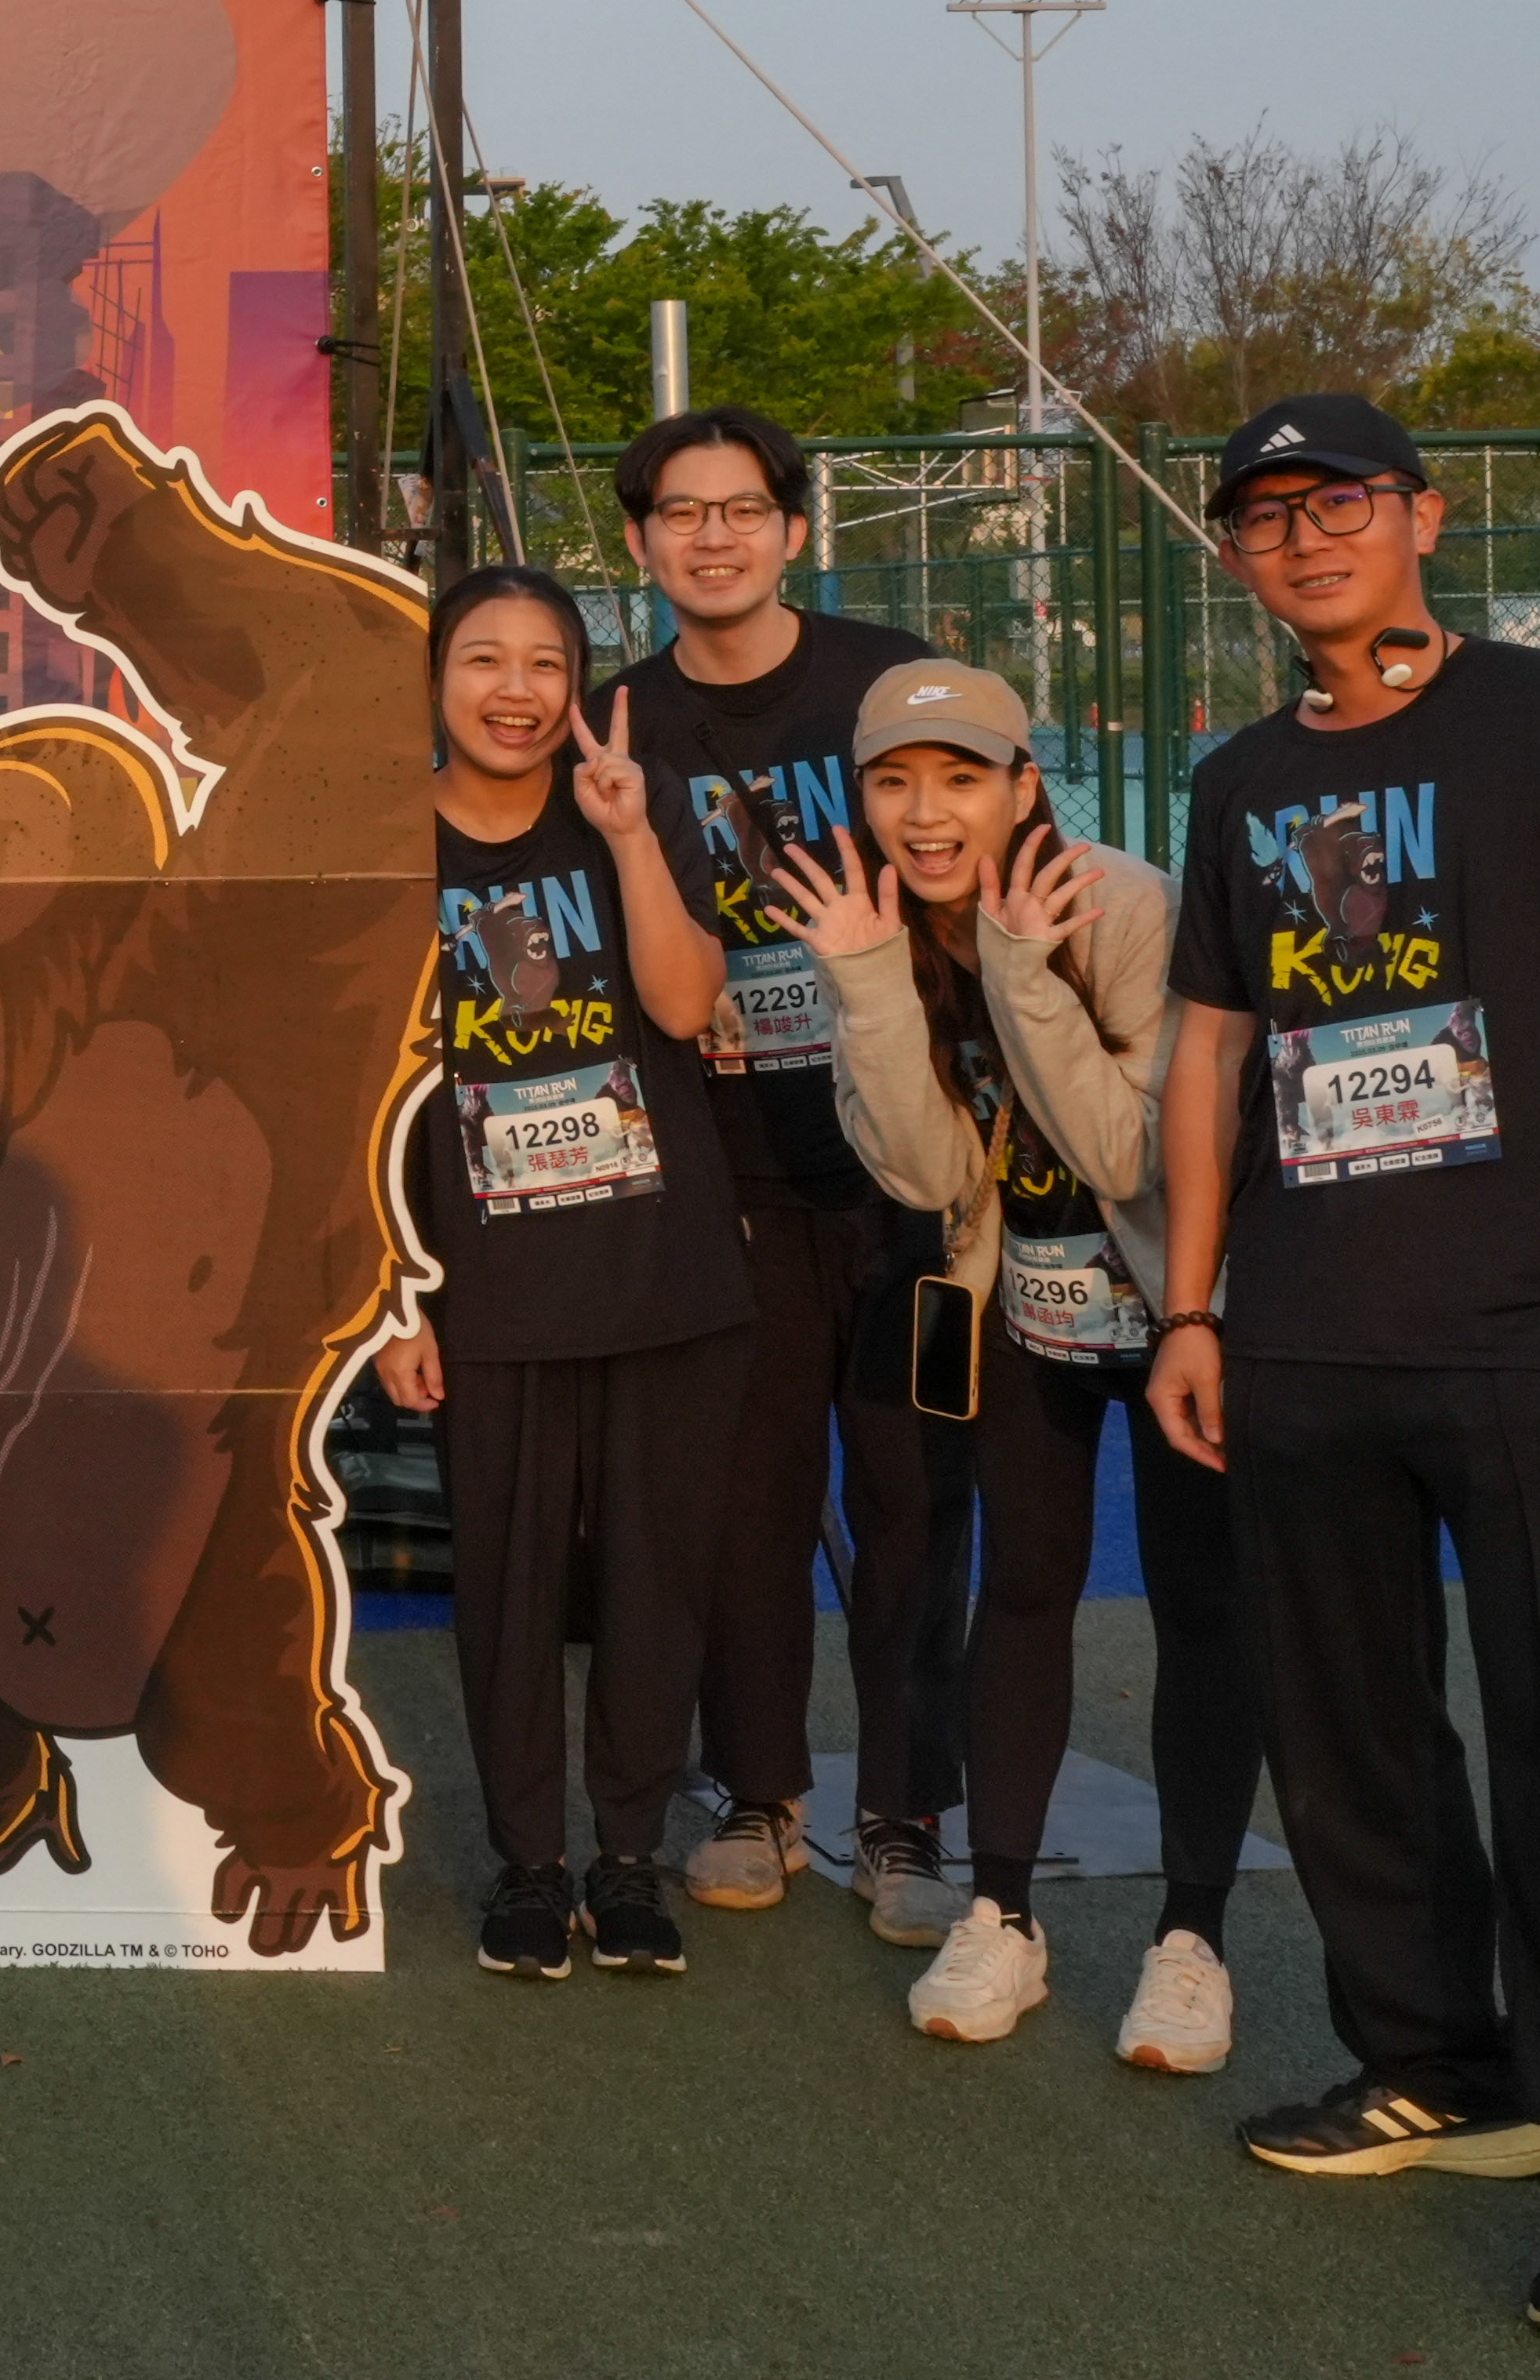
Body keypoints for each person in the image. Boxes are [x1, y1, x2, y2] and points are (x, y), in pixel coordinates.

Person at [1140, 397, 1540, 2351]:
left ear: (1423, 514)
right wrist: (1194, 1308)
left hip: (1533, 1328)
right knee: (1351, 1739)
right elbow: (1212, 1053)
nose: (1303, 537)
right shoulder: (1239, 781)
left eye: (1340, 501)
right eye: (1263, 516)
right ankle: (1434, 2060)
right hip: (1305, 1337)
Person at [773, 656, 1253, 2072]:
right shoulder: (872, 928)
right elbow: (927, 1175)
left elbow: (1126, 1153)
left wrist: (1018, 971)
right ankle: (1003, 1912)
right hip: (1026, 1302)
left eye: (960, 779)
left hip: (1182, 1307)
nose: (926, 814)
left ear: (1022, 786)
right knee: (1024, 1588)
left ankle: (1191, 1939)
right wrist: (869, 983)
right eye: (893, 782)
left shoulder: (1120, 905)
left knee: (1200, 1604)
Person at [597, 403, 975, 1940]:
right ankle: (758, 1790)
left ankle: (904, 1812)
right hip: (723, 1175)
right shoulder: (612, 727)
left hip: (903, 1168)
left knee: (911, 1497)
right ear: (639, 542)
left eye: (741, 508)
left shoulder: (890, 686)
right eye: (681, 513)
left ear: (795, 528)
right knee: (743, 1501)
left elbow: (985, 881)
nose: (714, 536)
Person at [376, 566, 753, 1979]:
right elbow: (350, 1093)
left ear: (579, 687)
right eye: (484, 658)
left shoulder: (636, 813)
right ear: (433, 680)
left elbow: (682, 1003)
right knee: (509, 1587)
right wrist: (396, 1295)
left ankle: (627, 1854)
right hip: (485, 1285)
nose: (516, 690)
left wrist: (631, 834)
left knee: (655, 1579)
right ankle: (528, 1862)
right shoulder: (380, 848)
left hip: (661, 1271)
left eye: (546, 662)